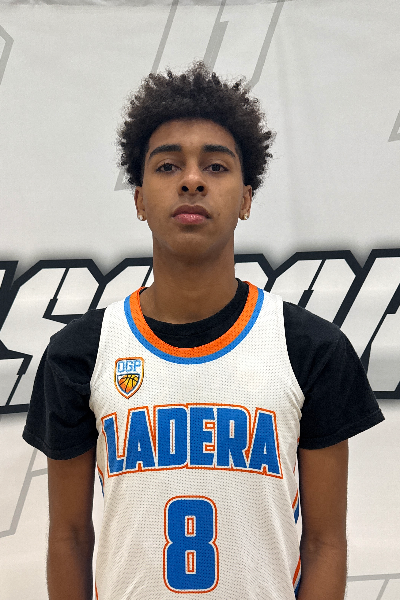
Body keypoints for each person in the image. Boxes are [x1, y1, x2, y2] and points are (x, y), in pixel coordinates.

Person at [23, 61, 384, 600]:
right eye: (168, 166)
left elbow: (325, 543)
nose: (191, 180)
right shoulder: (80, 353)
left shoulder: (310, 349)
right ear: (140, 199)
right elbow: (69, 538)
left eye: (215, 166)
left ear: (245, 198)